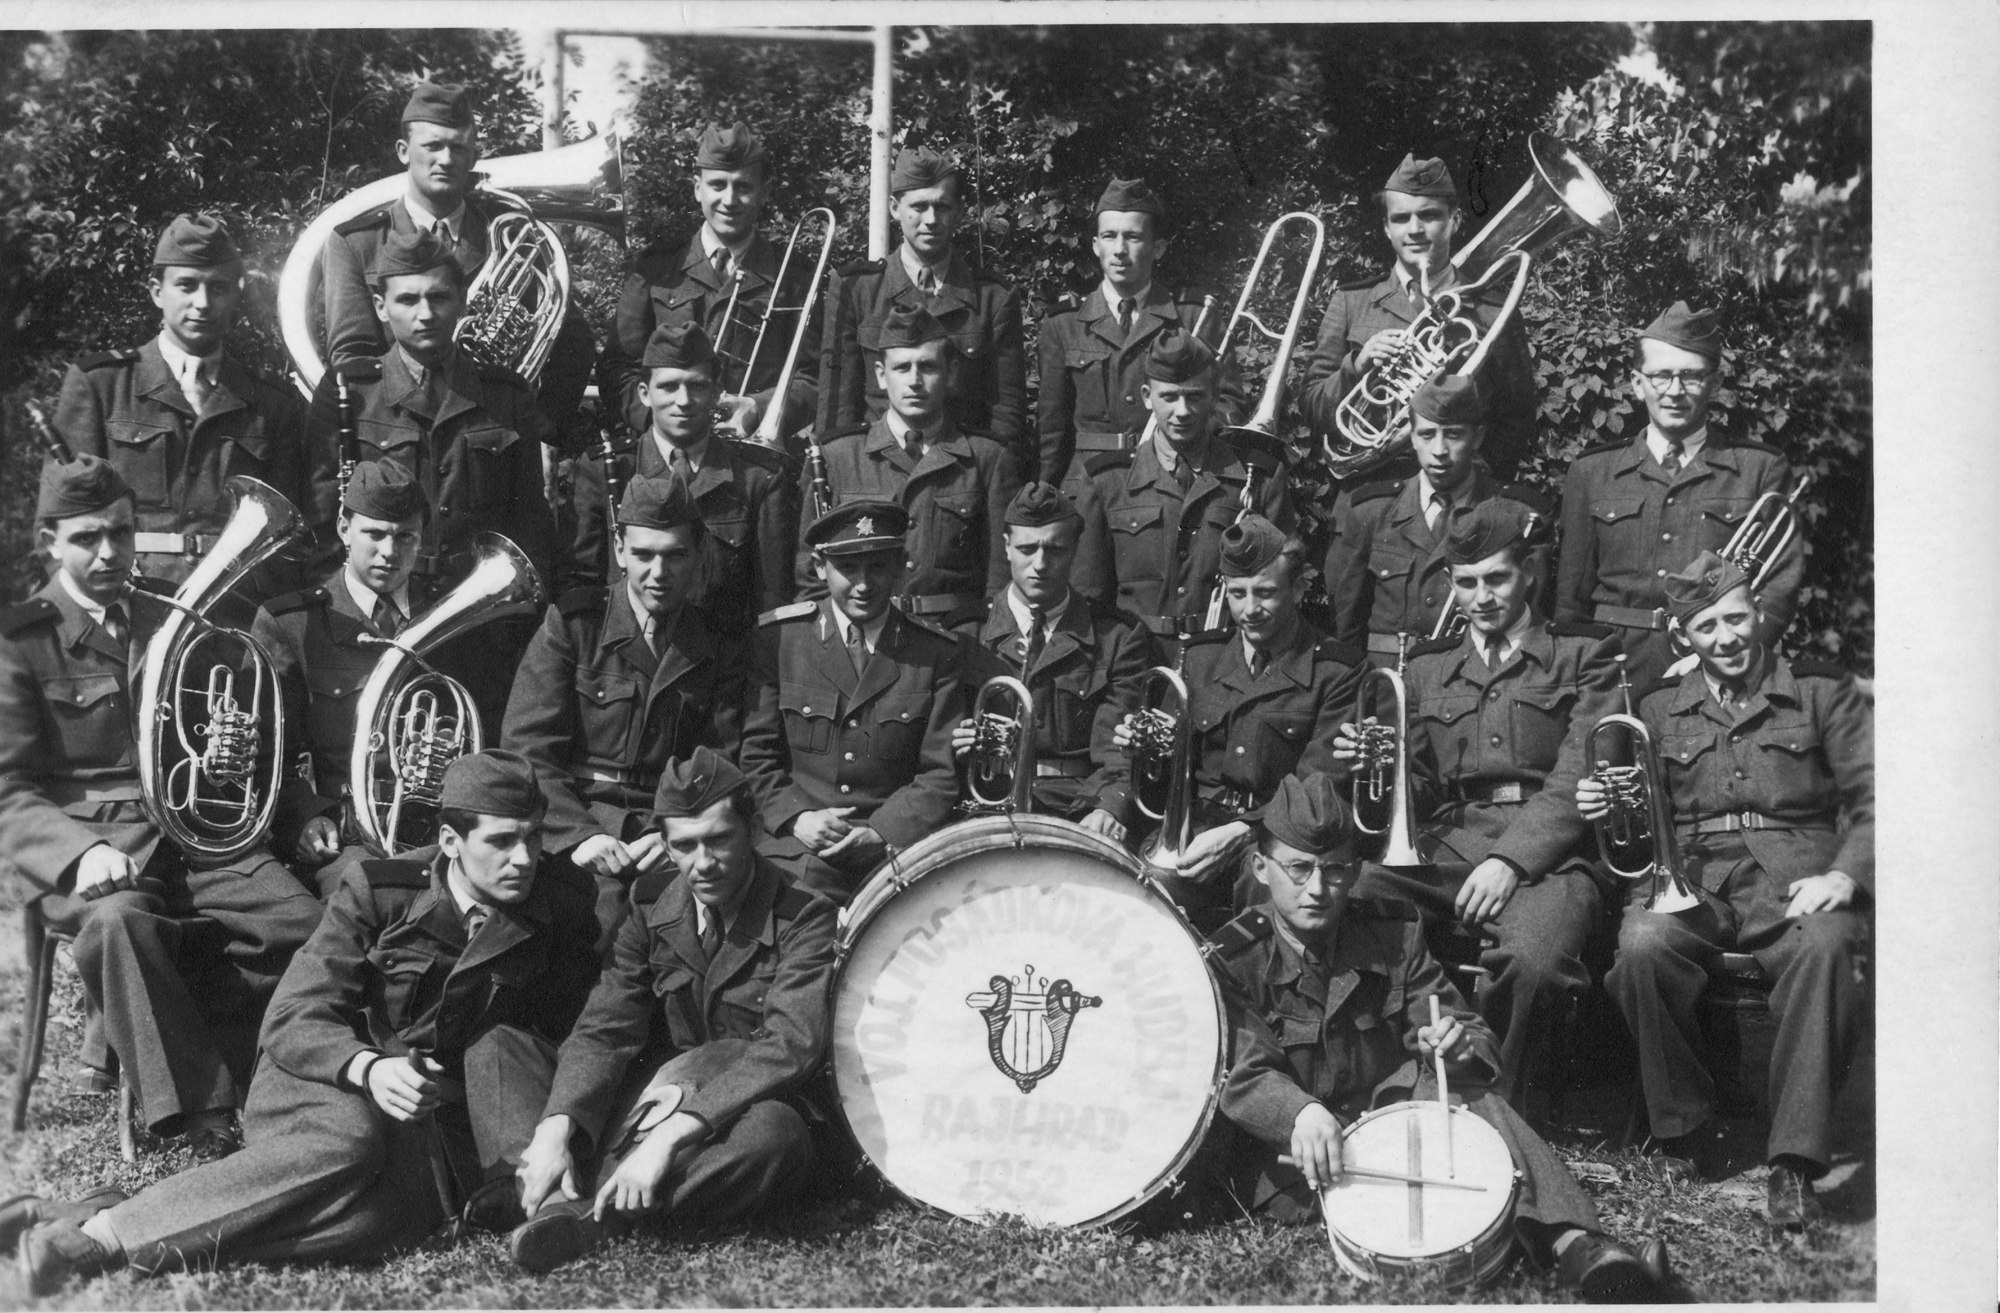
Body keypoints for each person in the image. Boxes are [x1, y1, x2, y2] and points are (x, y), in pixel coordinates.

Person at [12, 751, 603, 1295]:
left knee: (381, 1222)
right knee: (348, 1142)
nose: (524, 859)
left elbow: (580, 1028)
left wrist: (557, 1123)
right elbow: (294, 1014)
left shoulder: (562, 904)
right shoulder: (380, 890)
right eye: (501, 842)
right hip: (322, 1073)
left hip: (422, 1120)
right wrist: (367, 1069)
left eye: (533, 837)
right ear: (450, 841)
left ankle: (115, 1212)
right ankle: (101, 1238)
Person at [1205, 772, 1669, 1302]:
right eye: (1298, 868)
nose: (1317, 888)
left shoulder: (1393, 933)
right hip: (1301, 1156)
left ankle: (1580, 1246)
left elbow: (1464, 1026)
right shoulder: (1233, 958)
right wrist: (1296, 1113)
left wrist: (1456, 1046)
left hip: (1394, 1123)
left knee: (1471, 1094)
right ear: (1260, 869)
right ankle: (1544, 1243)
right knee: (1436, 1214)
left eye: (1334, 870)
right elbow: (1243, 1072)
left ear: (1355, 871)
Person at [0, 455, 323, 1162]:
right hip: (95, 851)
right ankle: (204, 1110)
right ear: (49, 541)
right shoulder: (20, 641)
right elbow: (9, 791)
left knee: (302, 922)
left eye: (120, 532)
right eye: (86, 537)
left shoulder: (169, 614)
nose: (108, 552)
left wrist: (226, 751)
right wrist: (80, 853)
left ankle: (265, 1073)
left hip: (195, 834)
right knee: (120, 925)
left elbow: (216, 719)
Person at [1578, 551, 1871, 1227]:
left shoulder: (1818, 690)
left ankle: (1794, 1164)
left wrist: (1845, 873)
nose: (1727, 637)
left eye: (1735, 619)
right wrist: (1605, 806)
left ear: (1758, 612)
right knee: (1643, 944)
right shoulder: (1657, 707)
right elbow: (1638, 826)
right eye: (1706, 626)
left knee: (1826, 944)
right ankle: (1685, 1129)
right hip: (1695, 876)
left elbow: (1877, 796)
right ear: (1683, 636)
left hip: (1796, 871)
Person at [1334, 500, 1622, 1106]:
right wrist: (1377, 770)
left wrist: (1510, 861)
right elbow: (1419, 784)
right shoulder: (1427, 667)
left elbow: (1579, 773)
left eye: (1497, 579)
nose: (1482, 597)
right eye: (1466, 583)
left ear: (1529, 575)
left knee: (1534, 960)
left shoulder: (1584, 655)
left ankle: (1503, 1107)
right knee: (1353, 898)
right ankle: (1393, 1082)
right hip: (1450, 843)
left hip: (1554, 858)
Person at [506, 748, 837, 1273]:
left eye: (719, 839)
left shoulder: (804, 914)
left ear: (752, 830)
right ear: (664, 844)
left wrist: (670, 1136)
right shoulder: (650, 903)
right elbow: (606, 1027)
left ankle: (596, 1218)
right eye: (683, 845)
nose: (702, 863)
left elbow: (790, 1047)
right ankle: (552, 1183)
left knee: (776, 1137)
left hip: (752, 1104)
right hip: (666, 1090)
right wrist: (557, 1126)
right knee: (517, 1057)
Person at [503, 472, 747, 937]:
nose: (659, 573)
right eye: (643, 555)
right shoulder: (575, 625)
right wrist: (577, 835)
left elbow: (719, 757)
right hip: (580, 815)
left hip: (673, 830)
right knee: (592, 918)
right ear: (619, 550)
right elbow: (527, 748)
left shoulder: (717, 640)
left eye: (675, 555)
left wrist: (672, 831)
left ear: (698, 554)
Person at [51, 213, 324, 602]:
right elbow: (60, 523)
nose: (203, 303)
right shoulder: (101, 386)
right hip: (128, 602)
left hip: (237, 608)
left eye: (218, 287)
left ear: (236, 295)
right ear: (156, 291)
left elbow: (288, 540)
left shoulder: (271, 402)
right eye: (186, 285)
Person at [1115, 516, 1362, 931]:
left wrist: (1243, 831)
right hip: (1196, 830)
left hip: (1280, 837)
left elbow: (1318, 786)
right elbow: (1165, 785)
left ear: (1297, 590)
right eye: (1237, 593)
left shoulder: (1335, 671)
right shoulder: (1199, 659)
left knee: (1265, 888)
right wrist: (1145, 755)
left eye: (1265, 593)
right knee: (1139, 891)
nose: (1249, 610)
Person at [319, 79, 594, 441]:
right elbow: (353, 362)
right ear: (403, 151)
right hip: (398, 444)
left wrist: (542, 419)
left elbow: (574, 341)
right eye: (432, 146)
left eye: (458, 147)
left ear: (474, 157)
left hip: (492, 444)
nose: (446, 159)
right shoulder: (357, 243)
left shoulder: (515, 239)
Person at [1555, 302, 1805, 688]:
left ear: (1715, 384)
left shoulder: (1759, 469)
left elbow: (1778, 589)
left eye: (1690, 376)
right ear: (1637, 383)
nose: (1674, 391)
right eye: (1661, 376)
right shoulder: (1591, 472)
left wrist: (1722, 657)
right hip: (1610, 670)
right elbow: (1570, 600)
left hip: (1718, 670)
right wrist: (1580, 676)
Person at [740, 500, 963, 905]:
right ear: (819, 567)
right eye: (848, 568)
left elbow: (940, 773)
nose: (863, 584)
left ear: (900, 567)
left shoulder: (934, 653)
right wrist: (797, 817)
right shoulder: (782, 641)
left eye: (877, 567)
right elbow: (756, 756)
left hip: (896, 850)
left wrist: (881, 831)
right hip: (798, 850)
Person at [253, 462, 436, 898]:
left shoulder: (449, 613)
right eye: (374, 534)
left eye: (405, 537)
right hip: (347, 838)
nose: (389, 551)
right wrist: (304, 816)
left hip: (438, 830)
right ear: (343, 529)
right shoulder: (293, 624)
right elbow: (268, 754)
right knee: (374, 896)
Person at [1297, 153, 1537, 481]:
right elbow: (1311, 408)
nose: (1415, 230)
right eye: (1401, 218)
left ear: (1455, 220)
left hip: (1463, 495)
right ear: (1386, 227)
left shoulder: (1493, 311)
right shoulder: (1351, 301)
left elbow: (1517, 418)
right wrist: (1357, 366)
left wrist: (1476, 485)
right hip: (1369, 494)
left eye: (1429, 215)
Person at [951, 482, 1157, 839]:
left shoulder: (1117, 638)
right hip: (989, 802)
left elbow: (1120, 748)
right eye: (1027, 549)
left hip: (1079, 805)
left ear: (1074, 549)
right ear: (1006, 547)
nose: (1041, 564)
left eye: (1055, 549)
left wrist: (1109, 806)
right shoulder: (967, 634)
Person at [800, 304, 1020, 634]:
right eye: (902, 368)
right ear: (880, 375)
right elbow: (810, 574)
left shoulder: (987, 459)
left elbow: (1001, 578)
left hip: (956, 638)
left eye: (927, 367)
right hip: (862, 636)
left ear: (950, 372)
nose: (914, 381)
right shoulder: (838, 457)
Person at [1072, 330, 1292, 658]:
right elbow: (1088, 595)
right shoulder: (1107, 481)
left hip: (1226, 659)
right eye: (1169, 397)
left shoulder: (1258, 477)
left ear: (1214, 397)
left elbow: (1280, 591)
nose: (1183, 411)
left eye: (1195, 397)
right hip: (1133, 661)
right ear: (1147, 396)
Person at [562, 322, 797, 625]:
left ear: (715, 393)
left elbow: (773, 600)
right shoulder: (605, 471)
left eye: (696, 386)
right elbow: (579, 587)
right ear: (645, 393)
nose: (683, 401)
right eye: (669, 386)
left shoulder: (756, 478)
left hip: (723, 652)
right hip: (626, 648)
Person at [599, 121, 819, 443]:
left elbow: (814, 377)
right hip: (668, 457)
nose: (729, 200)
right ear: (697, 188)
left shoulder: (794, 276)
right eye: (717, 185)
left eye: (743, 186)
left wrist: (759, 408)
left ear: (764, 192)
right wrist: (660, 424)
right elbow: (618, 368)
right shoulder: (655, 268)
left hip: (755, 457)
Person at [816, 145, 1026, 471]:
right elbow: (837, 409)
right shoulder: (856, 290)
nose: (931, 220)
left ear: (958, 212)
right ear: (894, 208)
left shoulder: (993, 299)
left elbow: (1006, 418)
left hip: (962, 474)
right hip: (876, 471)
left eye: (942, 206)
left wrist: (994, 482)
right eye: (919, 206)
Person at [1321, 374, 1550, 663]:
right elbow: (1346, 623)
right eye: (1427, 435)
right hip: (1390, 678)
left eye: (1453, 435)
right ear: (1412, 438)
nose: (1439, 451)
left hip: (1478, 675)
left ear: (1477, 437)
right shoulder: (1372, 511)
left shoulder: (1518, 515)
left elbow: (1535, 622)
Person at [1036, 176, 1245, 488]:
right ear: (1095, 245)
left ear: (1157, 248)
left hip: (1173, 481)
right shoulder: (1063, 324)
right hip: (1090, 487)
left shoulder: (1192, 317)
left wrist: (1189, 447)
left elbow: (1229, 404)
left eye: (1133, 237)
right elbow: (1052, 431)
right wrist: (1047, 494)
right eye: (1109, 236)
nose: (1120, 250)